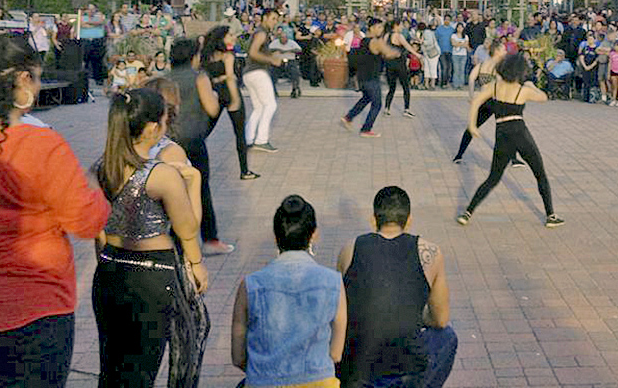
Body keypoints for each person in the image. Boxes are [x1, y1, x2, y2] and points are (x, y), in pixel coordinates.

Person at [0, 33, 110, 388]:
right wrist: (93, 185)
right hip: (35, 310)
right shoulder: (41, 145)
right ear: (21, 80)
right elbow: (86, 221)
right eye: (36, 76)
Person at [92, 88, 209, 388]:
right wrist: (194, 183)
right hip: (151, 277)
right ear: (152, 128)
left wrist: (106, 262)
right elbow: (188, 228)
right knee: (141, 368)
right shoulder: (162, 175)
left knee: (112, 367)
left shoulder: (102, 168)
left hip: (109, 271)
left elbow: (97, 230)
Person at [337, 186, 457, 388]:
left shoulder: (349, 249)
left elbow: (344, 310)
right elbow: (441, 319)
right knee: (447, 336)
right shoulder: (431, 253)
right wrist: (415, 316)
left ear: (373, 220)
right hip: (407, 370)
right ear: (408, 220)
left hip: (358, 369)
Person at [232, 195, 347, 388]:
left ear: (276, 236)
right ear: (314, 234)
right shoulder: (333, 282)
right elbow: (336, 354)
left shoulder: (250, 285)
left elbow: (238, 358)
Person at [458, 53, 564, 228]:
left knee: (493, 178)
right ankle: (551, 215)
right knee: (540, 174)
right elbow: (544, 98)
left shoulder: (494, 86)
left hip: (502, 134)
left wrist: (472, 125)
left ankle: (467, 213)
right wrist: (531, 84)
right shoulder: (524, 90)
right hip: (520, 133)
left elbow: (476, 101)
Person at [168, 38, 233, 255]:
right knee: (200, 188)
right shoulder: (199, 78)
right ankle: (210, 240)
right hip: (193, 140)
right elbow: (213, 109)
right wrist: (215, 95)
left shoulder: (164, 79)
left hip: (169, 143)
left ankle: (173, 240)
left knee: (171, 189)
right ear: (193, 57)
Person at [201, 26, 258, 181]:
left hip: (214, 96)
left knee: (204, 131)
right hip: (229, 94)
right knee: (240, 134)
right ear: (221, 38)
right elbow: (231, 79)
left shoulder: (206, 56)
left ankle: (192, 163)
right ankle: (244, 171)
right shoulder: (228, 56)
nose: (233, 38)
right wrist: (235, 100)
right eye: (230, 35)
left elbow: (204, 77)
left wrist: (217, 80)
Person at [341, 19, 401, 138]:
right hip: (371, 77)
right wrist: (397, 52)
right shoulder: (376, 42)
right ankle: (366, 129)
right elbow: (389, 53)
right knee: (377, 104)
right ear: (372, 28)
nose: (381, 30)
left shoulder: (363, 40)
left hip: (362, 77)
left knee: (366, 98)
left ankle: (348, 117)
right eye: (379, 27)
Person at [245, 8, 285, 152]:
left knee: (259, 107)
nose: (275, 22)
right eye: (273, 18)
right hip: (258, 72)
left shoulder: (260, 32)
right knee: (270, 105)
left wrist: (271, 54)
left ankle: (248, 138)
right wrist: (271, 59)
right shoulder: (261, 32)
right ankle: (261, 140)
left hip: (249, 73)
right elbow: (253, 52)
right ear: (265, 18)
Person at [384, 19, 419, 117]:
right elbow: (407, 46)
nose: (402, 27)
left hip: (389, 64)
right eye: (401, 25)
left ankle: (387, 108)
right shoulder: (399, 36)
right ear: (396, 25)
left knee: (391, 88)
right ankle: (406, 109)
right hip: (399, 64)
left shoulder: (387, 35)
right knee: (406, 87)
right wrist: (417, 54)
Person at [269, 27, 303, 98]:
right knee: (272, 73)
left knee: (295, 72)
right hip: (278, 61)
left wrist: (290, 50)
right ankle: (273, 91)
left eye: (285, 38)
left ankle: (295, 89)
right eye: (281, 38)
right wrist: (277, 49)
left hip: (290, 60)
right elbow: (269, 49)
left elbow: (299, 50)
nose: (283, 39)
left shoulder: (292, 43)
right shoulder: (275, 43)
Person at [419, 22, 440, 90]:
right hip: (427, 53)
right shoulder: (427, 32)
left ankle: (432, 84)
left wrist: (422, 41)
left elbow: (429, 42)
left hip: (432, 53)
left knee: (432, 69)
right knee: (427, 69)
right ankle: (427, 84)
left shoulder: (426, 33)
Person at [450, 22, 470, 89]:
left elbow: (466, 45)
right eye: (458, 27)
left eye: (461, 27)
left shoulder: (466, 36)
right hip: (455, 54)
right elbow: (453, 43)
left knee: (462, 69)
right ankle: (455, 84)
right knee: (456, 69)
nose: (460, 29)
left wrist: (458, 43)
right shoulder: (453, 35)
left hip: (463, 55)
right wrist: (461, 43)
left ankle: (461, 84)